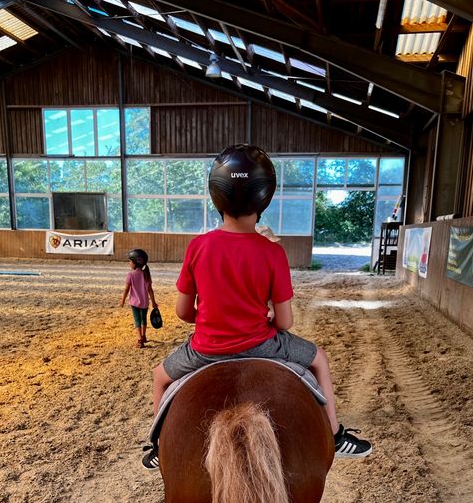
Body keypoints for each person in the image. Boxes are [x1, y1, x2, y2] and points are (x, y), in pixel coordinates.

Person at [142, 145, 372, 470]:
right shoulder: (272, 252)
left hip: (205, 350)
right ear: (264, 198)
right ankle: (335, 435)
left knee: (159, 378)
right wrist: (261, 318)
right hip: (262, 345)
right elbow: (286, 321)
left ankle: (158, 446)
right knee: (319, 359)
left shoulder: (198, 246)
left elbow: (182, 312)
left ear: (215, 196)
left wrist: (207, 319)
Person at [119, 249, 157, 348]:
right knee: (143, 319)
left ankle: (140, 340)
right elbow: (150, 290)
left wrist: (122, 300)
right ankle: (144, 336)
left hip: (135, 302)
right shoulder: (146, 274)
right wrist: (153, 302)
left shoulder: (130, 275)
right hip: (145, 302)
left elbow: (126, 289)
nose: (129, 263)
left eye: (130, 261)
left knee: (137, 320)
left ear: (135, 262)